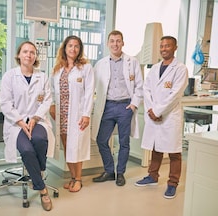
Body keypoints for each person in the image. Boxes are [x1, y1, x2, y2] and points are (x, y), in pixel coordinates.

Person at [0, 41, 55, 211]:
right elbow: (5, 103)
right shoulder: (10, 76)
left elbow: (47, 100)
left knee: (39, 139)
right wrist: (21, 122)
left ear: (35, 56)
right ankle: (43, 189)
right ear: (19, 55)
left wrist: (35, 119)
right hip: (16, 123)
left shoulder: (42, 77)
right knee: (27, 150)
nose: (28, 55)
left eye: (32, 52)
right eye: (25, 51)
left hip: (37, 120)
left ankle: (38, 172)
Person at [135, 36, 188, 199]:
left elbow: (175, 94)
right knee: (155, 146)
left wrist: (158, 111)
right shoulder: (155, 68)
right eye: (162, 46)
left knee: (174, 151)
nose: (164, 49)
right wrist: (151, 110)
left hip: (169, 115)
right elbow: (147, 89)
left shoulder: (180, 69)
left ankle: (172, 183)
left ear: (175, 48)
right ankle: (152, 176)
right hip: (154, 113)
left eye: (168, 46)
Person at [91, 30, 143, 186]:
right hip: (107, 106)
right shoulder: (100, 64)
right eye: (112, 41)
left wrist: (133, 105)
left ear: (123, 43)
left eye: (118, 41)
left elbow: (140, 86)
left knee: (123, 142)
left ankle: (120, 173)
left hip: (124, 106)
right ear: (108, 44)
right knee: (101, 140)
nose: (115, 44)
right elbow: (91, 86)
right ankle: (109, 171)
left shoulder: (132, 62)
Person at [50, 35, 94, 192]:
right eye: (70, 46)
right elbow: (52, 90)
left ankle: (79, 179)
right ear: (65, 48)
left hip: (77, 114)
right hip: (61, 114)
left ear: (80, 50)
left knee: (77, 146)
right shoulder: (57, 69)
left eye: (76, 46)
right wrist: (52, 106)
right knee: (67, 146)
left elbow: (89, 92)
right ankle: (72, 177)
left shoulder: (86, 68)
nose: (73, 49)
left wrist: (86, 114)